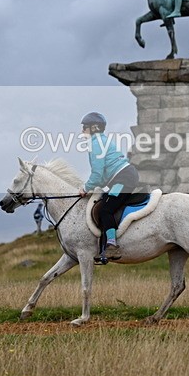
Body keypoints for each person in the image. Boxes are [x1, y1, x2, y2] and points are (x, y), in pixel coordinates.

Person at [78, 112, 140, 264]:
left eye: (84, 127)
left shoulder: (95, 143)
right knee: (105, 201)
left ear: (93, 128)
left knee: (106, 209)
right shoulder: (101, 140)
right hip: (123, 177)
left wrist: (85, 188)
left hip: (123, 179)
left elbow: (97, 174)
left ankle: (112, 245)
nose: (82, 131)